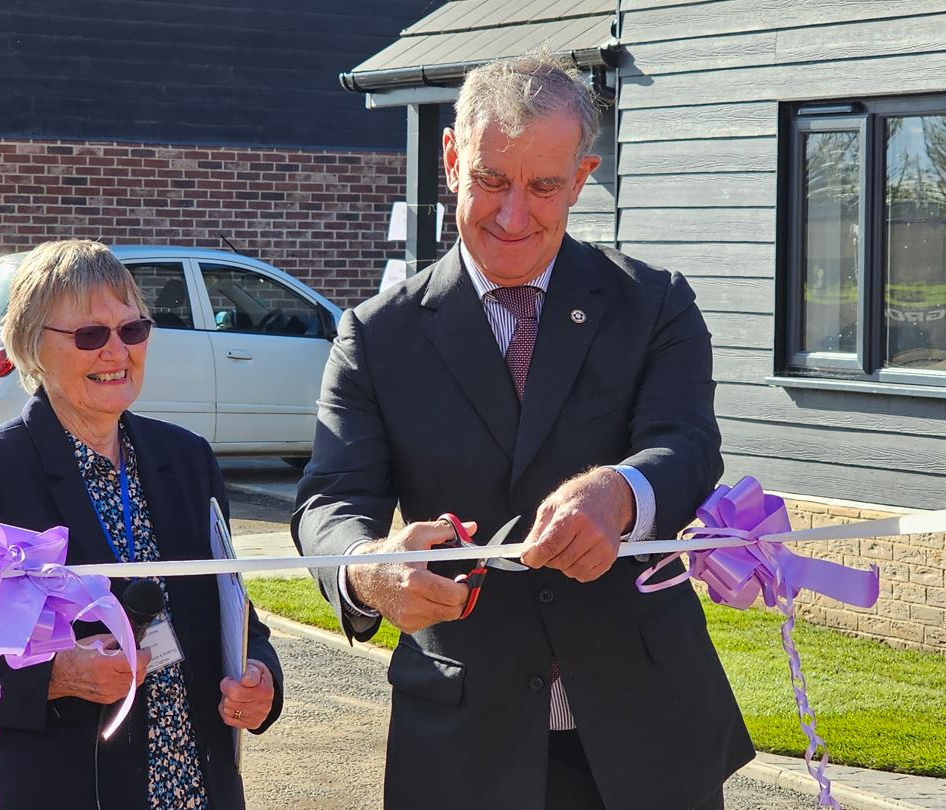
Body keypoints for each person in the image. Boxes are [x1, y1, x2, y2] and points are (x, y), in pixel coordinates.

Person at [293, 53, 752, 810]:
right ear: (450, 158)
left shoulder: (655, 305)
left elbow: (686, 445)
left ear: (582, 176)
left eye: (542, 187)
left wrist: (619, 493)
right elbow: (329, 501)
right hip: (464, 745)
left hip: (647, 736)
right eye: (490, 181)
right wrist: (368, 568)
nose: (512, 216)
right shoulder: (376, 336)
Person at [0, 240, 284, 809]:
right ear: (32, 347)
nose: (116, 351)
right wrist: (57, 676)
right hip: (65, 789)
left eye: (133, 330)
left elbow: (238, 616)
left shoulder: (188, 459)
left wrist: (260, 677)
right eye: (90, 335)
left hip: (195, 787)